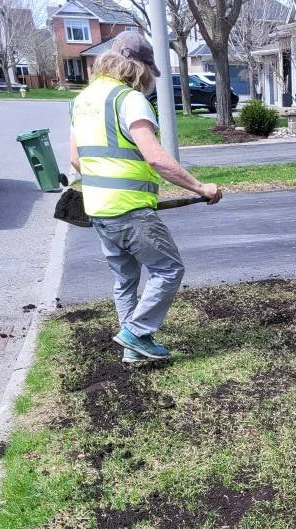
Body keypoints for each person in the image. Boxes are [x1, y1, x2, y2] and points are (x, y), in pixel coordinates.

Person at [69, 31, 222, 364]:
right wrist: (200, 188)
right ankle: (135, 333)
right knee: (168, 270)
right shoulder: (128, 99)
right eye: (148, 71)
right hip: (129, 209)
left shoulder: (82, 100)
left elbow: (76, 160)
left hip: (97, 208)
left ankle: (133, 351)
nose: (148, 79)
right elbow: (154, 157)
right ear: (136, 66)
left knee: (125, 279)